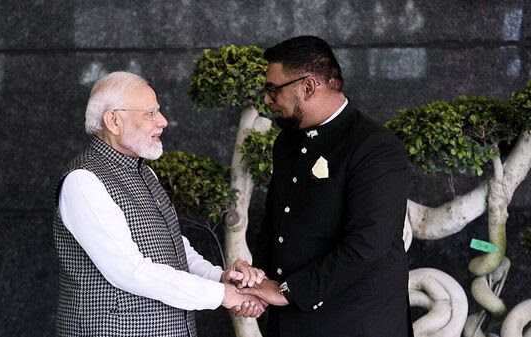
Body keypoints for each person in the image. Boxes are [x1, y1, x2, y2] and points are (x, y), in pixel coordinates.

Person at [53, 71, 265, 337]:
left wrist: (218, 277)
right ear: (114, 121)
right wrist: (223, 295)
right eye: (150, 113)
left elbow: (174, 248)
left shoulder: (144, 172)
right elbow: (130, 271)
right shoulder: (83, 181)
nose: (163, 121)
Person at [239, 36, 414, 336]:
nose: (267, 99)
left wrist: (289, 291)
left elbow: (369, 244)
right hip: (290, 321)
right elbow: (275, 222)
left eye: (272, 89)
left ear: (307, 87)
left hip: (355, 323)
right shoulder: (286, 142)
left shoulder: (376, 146)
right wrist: (258, 282)